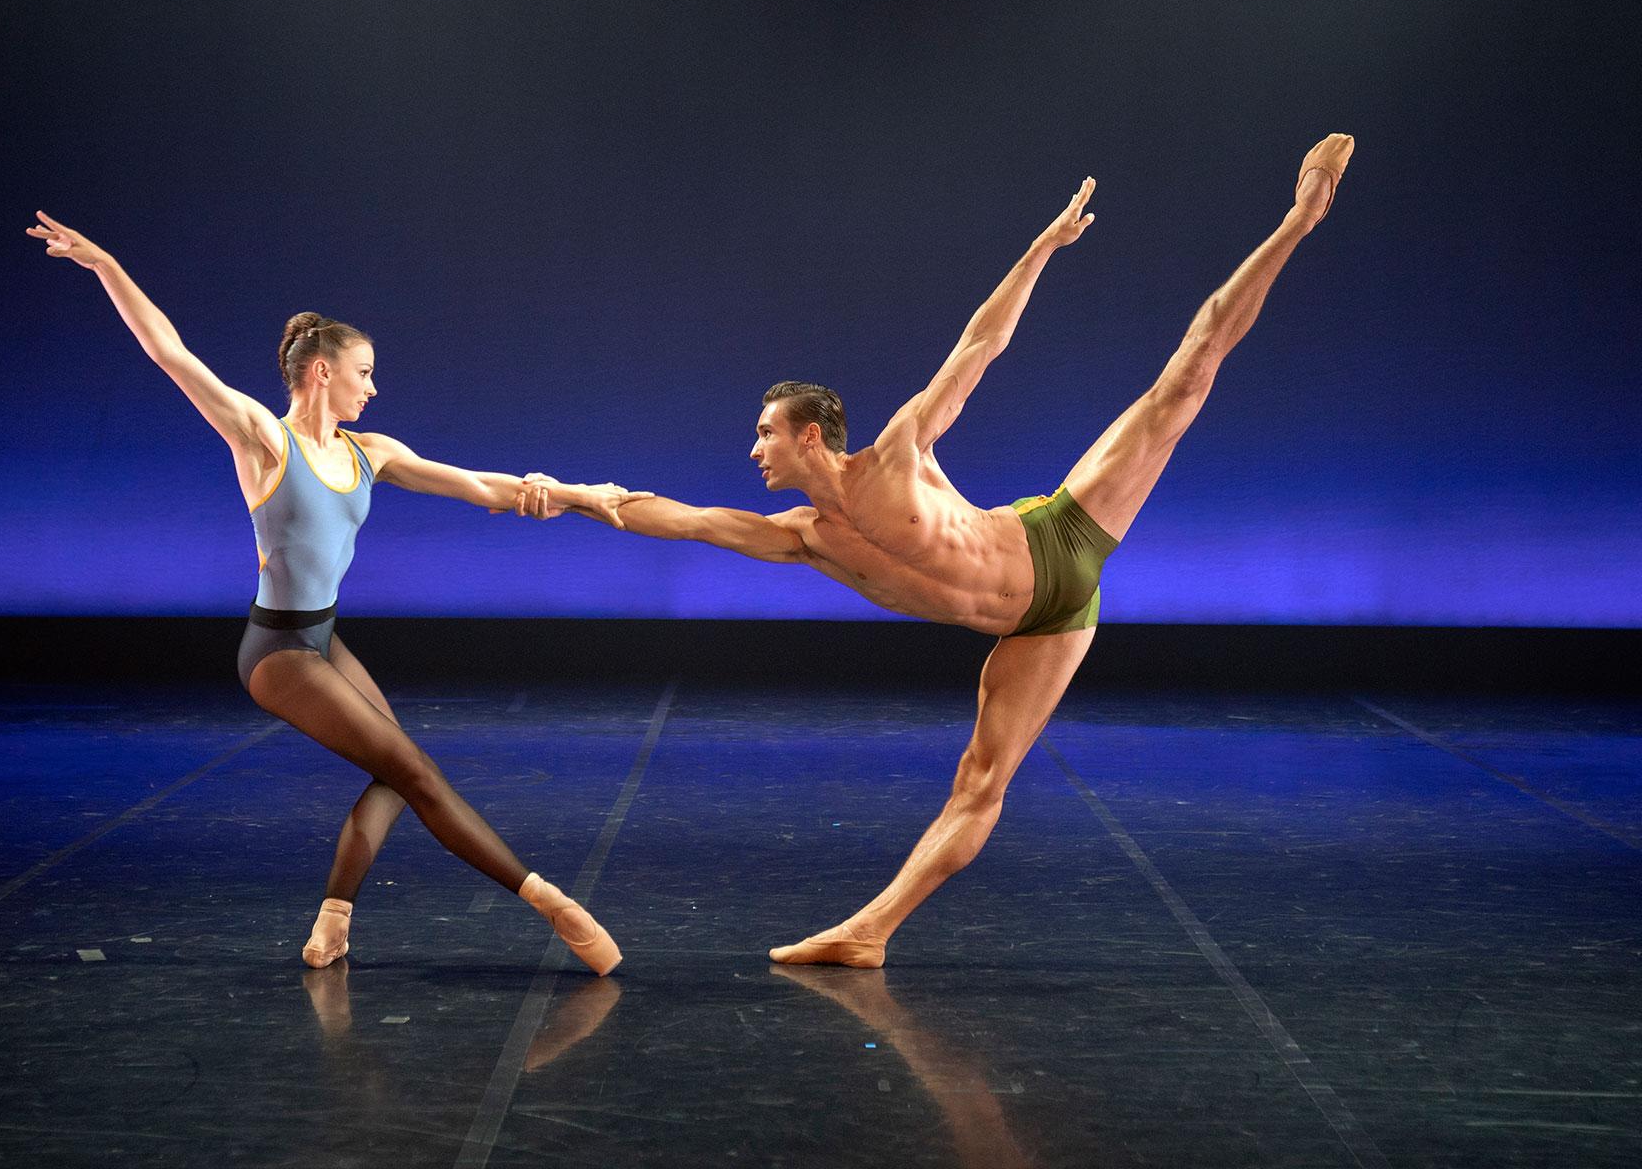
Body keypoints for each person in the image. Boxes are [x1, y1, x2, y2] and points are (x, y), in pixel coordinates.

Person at [521, 136, 1354, 967]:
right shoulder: (806, 539)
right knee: (980, 783)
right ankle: (867, 933)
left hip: (1060, 534)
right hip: (1046, 625)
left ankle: (1299, 219)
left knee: (1186, 377)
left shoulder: (898, 453)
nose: (753, 449)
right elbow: (687, 520)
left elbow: (980, 345)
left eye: (765, 432)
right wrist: (577, 494)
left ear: (809, 436)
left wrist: (1042, 248)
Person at [27, 211, 634, 974]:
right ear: (322, 372)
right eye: (364, 372)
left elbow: (485, 487)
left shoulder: (371, 452)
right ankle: (554, 905)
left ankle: (334, 920)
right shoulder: (262, 439)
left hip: (323, 638)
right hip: (277, 654)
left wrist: (577, 495)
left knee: (398, 773)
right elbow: (167, 351)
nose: (373, 387)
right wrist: (104, 263)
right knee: (417, 773)